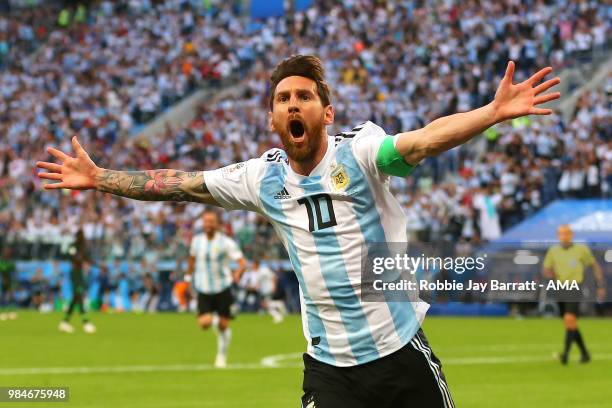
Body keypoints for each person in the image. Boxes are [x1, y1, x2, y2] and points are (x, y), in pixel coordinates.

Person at [37, 54, 561, 407]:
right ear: (272, 118)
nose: (293, 103)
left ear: (326, 112)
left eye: (304, 96)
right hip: (328, 369)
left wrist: (493, 113)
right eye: (283, 97)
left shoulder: (359, 153)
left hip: (399, 353)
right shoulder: (260, 178)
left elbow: (422, 142)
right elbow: (179, 184)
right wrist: (100, 177)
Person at [186, 210, 246, 368]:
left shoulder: (226, 242)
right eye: (206, 222)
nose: (208, 225)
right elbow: (192, 259)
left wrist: (239, 273)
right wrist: (187, 277)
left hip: (222, 287)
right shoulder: (197, 241)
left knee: (223, 326)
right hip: (203, 287)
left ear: (217, 224)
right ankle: (220, 318)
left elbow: (241, 262)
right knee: (204, 324)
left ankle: (221, 355)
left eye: (211, 222)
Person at [542, 225, 606, 365]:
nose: (564, 236)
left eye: (566, 234)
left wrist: (600, 285)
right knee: (569, 323)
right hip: (559, 287)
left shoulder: (581, 249)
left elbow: (594, 266)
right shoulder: (553, 251)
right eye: (561, 234)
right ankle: (584, 353)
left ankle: (565, 354)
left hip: (574, 287)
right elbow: (546, 268)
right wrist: (549, 274)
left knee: (569, 319)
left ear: (571, 235)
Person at [59, 229, 97, 334]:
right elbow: (70, 256)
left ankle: (65, 322)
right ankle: (86, 322)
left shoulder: (82, 248)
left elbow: (87, 259)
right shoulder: (74, 246)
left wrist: (95, 264)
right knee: (79, 296)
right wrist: (80, 259)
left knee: (76, 298)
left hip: (80, 273)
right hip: (75, 273)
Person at [0, 247, 17, 321]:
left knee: (10, 296)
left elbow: (13, 271)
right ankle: (4, 311)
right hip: (2, 281)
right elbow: (3, 269)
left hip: (9, 282)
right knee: (3, 296)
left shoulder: (10, 262)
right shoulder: (2, 261)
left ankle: (10, 310)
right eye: (6, 252)